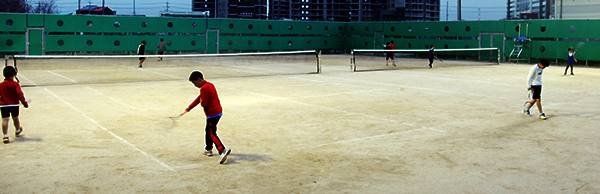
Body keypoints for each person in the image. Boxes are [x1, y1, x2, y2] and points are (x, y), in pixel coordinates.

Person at [181, 71, 231, 164]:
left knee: (212, 133)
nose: (194, 85)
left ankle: (222, 150)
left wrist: (203, 101)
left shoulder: (203, 88)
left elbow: (203, 103)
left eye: (194, 82)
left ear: (199, 79)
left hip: (212, 114)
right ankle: (208, 149)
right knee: (208, 130)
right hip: (218, 112)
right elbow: (198, 99)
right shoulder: (210, 85)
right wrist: (189, 108)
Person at [0, 66, 28, 144]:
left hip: (4, 105)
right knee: (15, 118)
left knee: (5, 120)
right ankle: (17, 130)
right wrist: (24, 103)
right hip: (14, 105)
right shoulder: (15, 84)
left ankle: (5, 135)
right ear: (14, 75)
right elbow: (20, 94)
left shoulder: (1, 85)